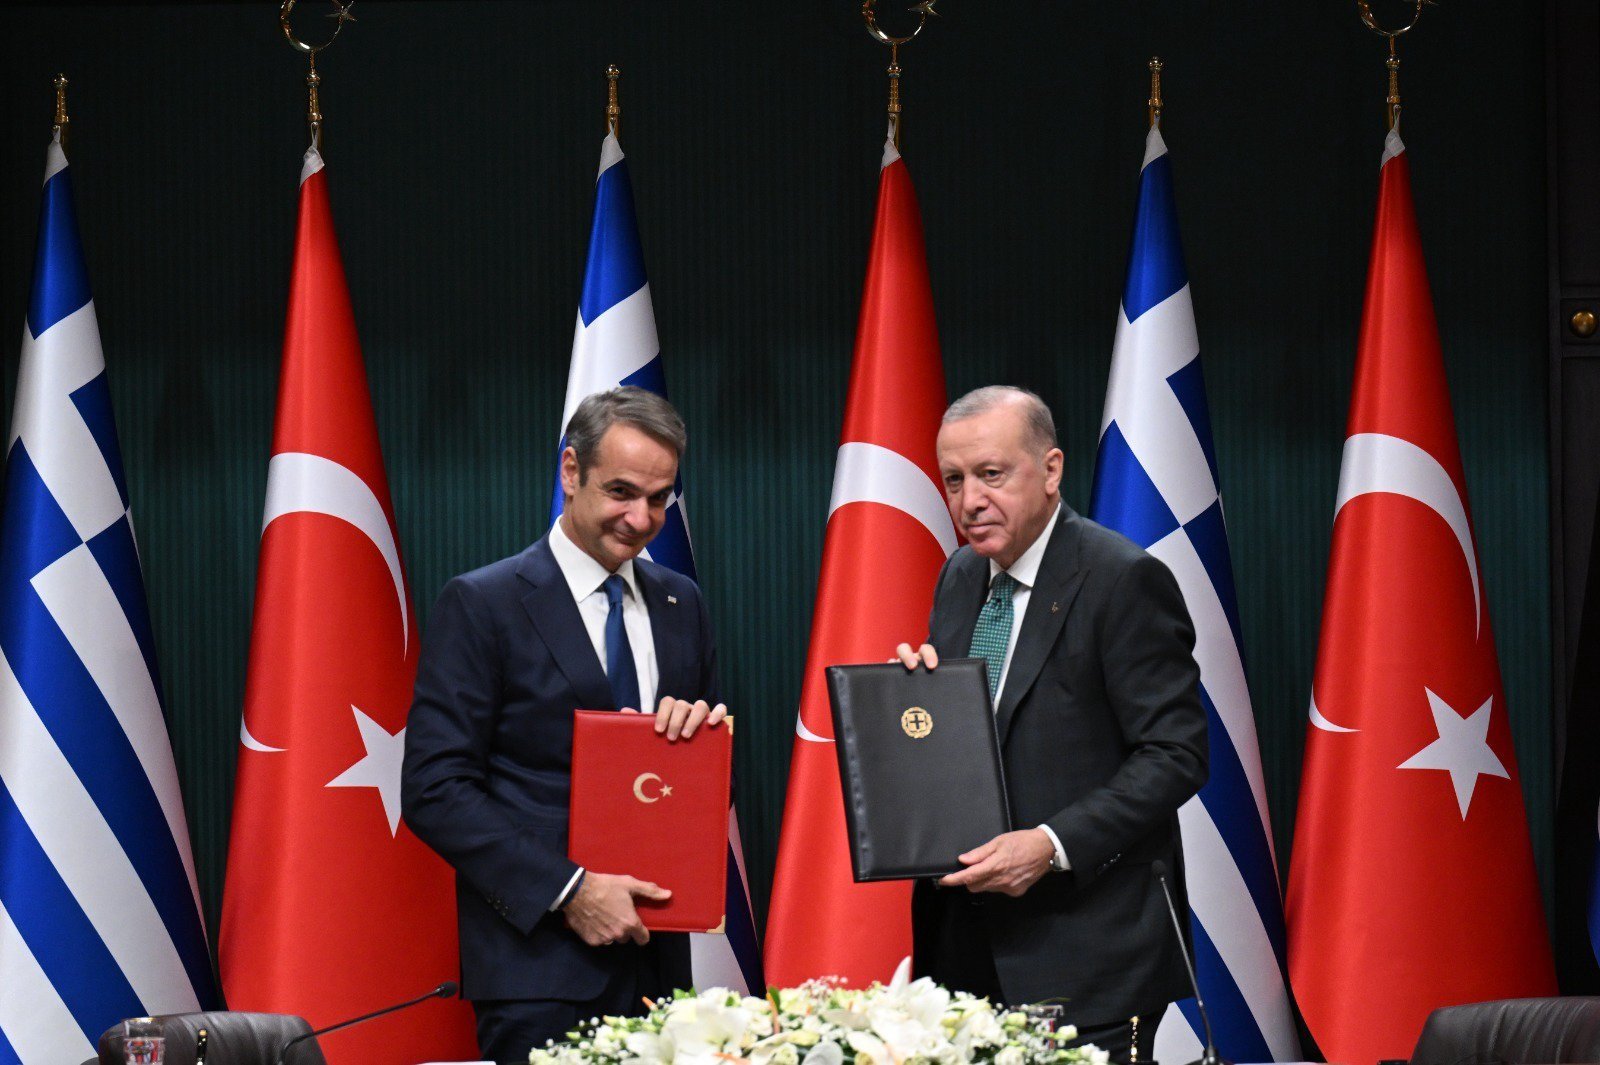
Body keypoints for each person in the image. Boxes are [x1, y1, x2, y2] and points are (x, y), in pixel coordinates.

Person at [401, 387, 727, 1065]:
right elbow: (435, 788)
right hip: (539, 974)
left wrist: (700, 748)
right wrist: (570, 891)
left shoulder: (681, 603)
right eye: (622, 492)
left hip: (659, 968)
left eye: (659, 498)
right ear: (571, 471)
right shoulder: (484, 603)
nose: (641, 519)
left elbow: (708, 790)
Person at [894, 385, 1208, 1064]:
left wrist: (1050, 843)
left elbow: (1176, 753)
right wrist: (916, 705)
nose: (970, 500)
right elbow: (979, 740)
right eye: (954, 479)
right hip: (964, 951)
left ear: (1052, 469)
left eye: (991, 473)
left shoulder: (1123, 579)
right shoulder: (960, 576)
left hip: (1090, 953)